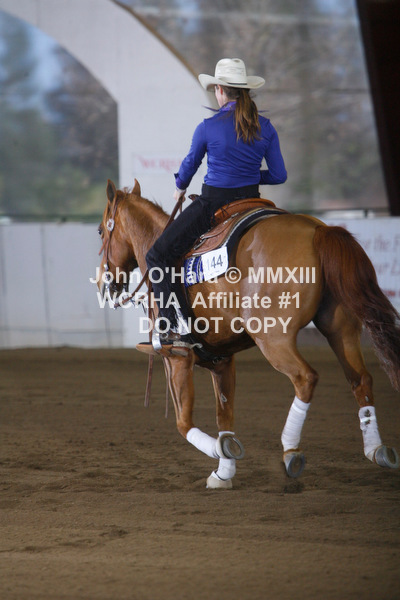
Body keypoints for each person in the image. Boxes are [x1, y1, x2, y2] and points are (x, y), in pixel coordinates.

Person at [145, 57, 287, 346]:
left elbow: (190, 164)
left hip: (214, 204)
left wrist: (179, 187)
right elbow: (278, 175)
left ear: (220, 90)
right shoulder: (266, 127)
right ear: (245, 90)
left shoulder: (208, 127)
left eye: (216, 90)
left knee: (157, 256)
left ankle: (172, 327)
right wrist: (249, 176)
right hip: (253, 201)